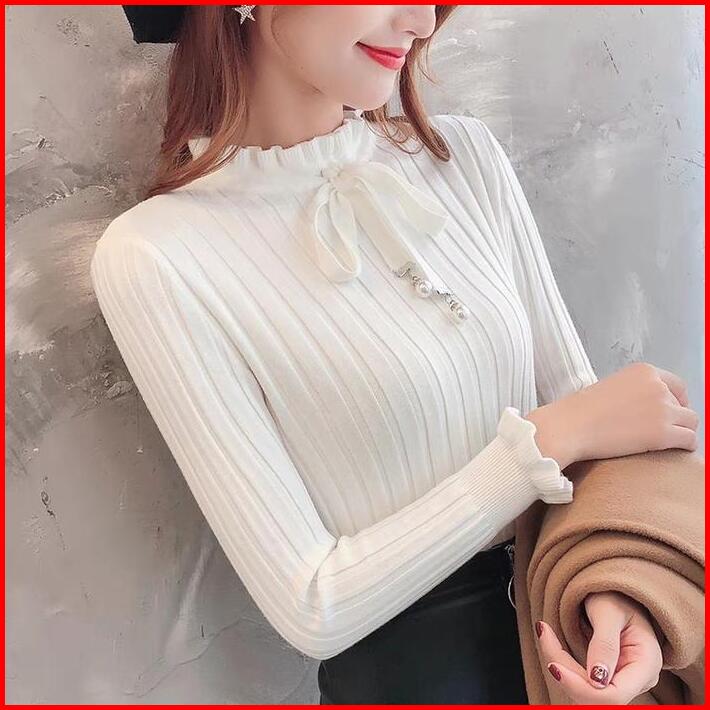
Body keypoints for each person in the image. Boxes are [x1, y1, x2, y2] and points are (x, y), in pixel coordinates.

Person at [91, 5, 699, 704]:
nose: (421, 20)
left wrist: (617, 597)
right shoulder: (156, 255)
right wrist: (543, 444)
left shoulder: (461, 158)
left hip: (567, 621)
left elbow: (586, 425)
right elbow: (312, 605)